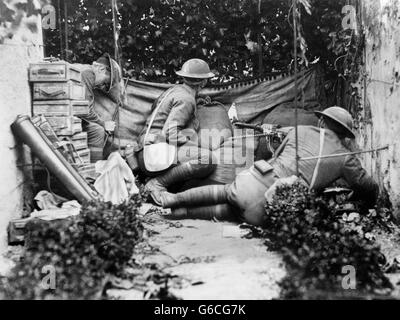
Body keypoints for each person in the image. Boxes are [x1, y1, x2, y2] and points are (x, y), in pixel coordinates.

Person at [160, 106, 379, 226]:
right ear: (345, 135)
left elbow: (278, 154)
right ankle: (181, 213)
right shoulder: (347, 158)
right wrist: (365, 207)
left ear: (322, 122)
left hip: (253, 180)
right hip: (272, 204)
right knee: (232, 213)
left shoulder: (300, 131)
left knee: (226, 191)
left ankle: (174, 201)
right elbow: (368, 187)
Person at [137, 58, 217, 205]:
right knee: (207, 159)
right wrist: (194, 141)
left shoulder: (173, 91)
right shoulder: (186, 99)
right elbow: (171, 133)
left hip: (145, 150)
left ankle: (152, 181)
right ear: (203, 82)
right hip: (154, 154)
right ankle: (157, 184)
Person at [80, 54, 122, 162]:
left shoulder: (86, 71)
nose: (102, 87)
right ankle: (95, 171)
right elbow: (85, 110)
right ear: (101, 69)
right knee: (97, 130)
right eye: (105, 83)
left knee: (97, 129)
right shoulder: (88, 74)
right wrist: (103, 124)